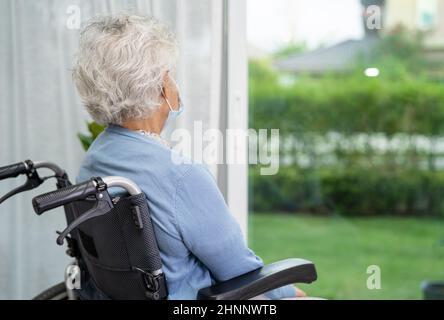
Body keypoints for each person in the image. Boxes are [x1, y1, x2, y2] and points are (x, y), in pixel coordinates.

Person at [73, 14, 306, 300]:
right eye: (169, 73)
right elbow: (239, 271)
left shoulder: (93, 160)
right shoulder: (180, 176)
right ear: (159, 87)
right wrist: (292, 293)